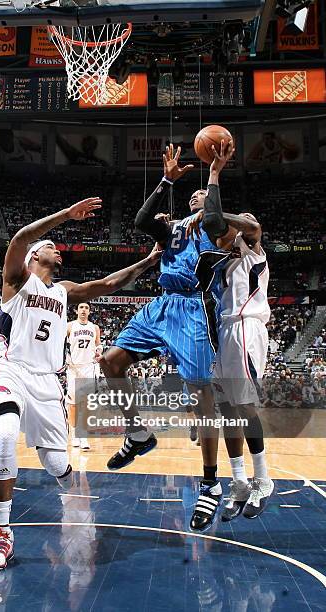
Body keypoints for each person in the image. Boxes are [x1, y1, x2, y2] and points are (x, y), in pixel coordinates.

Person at [0, 197, 162, 571]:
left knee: (57, 463)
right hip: (10, 370)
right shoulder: (17, 280)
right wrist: (65, 214)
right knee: (6, 433)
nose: (57, 248)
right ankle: (2, 533)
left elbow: (109, 283)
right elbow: (18, 238)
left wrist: (150, 259)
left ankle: (76, 502)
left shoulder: (62, 292)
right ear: (34, 256)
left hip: (47, 383)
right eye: (50, 246)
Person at [99, 141, 235, 532]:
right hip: (163, 305)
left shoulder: (218, 229)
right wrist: (165, 180)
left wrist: (212, 176)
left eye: (204, 195)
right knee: (110, 361)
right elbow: (142, 221)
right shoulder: (173, 226)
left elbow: (213, 219)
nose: (197, 195)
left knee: (200, 397)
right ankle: (138, 433)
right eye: (194, 193)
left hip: (195, 309)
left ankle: (210, 483)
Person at [187, 210, 274, 520]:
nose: (241, 222)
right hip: (224, 331)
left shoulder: (253, 250)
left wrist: (214, 212)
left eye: (243, 219)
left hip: (246, 327)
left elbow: (253, 225)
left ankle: (263, 480)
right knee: (227, 410)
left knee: (245, 405)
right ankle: (239, 482)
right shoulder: (221, 260)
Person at [67, 302, 102, 450]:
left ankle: (83, 436)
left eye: (86, 308)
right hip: (73, 368)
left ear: (90, 311)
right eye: (81, 307)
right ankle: (74, 434)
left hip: (89, 367)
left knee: (86, 403)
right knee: (74, 404)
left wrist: (99, 351)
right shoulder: (69, 326)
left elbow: (98, 344)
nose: (83, 310)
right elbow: (60, 344)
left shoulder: (94, 328)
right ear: (76, 310)